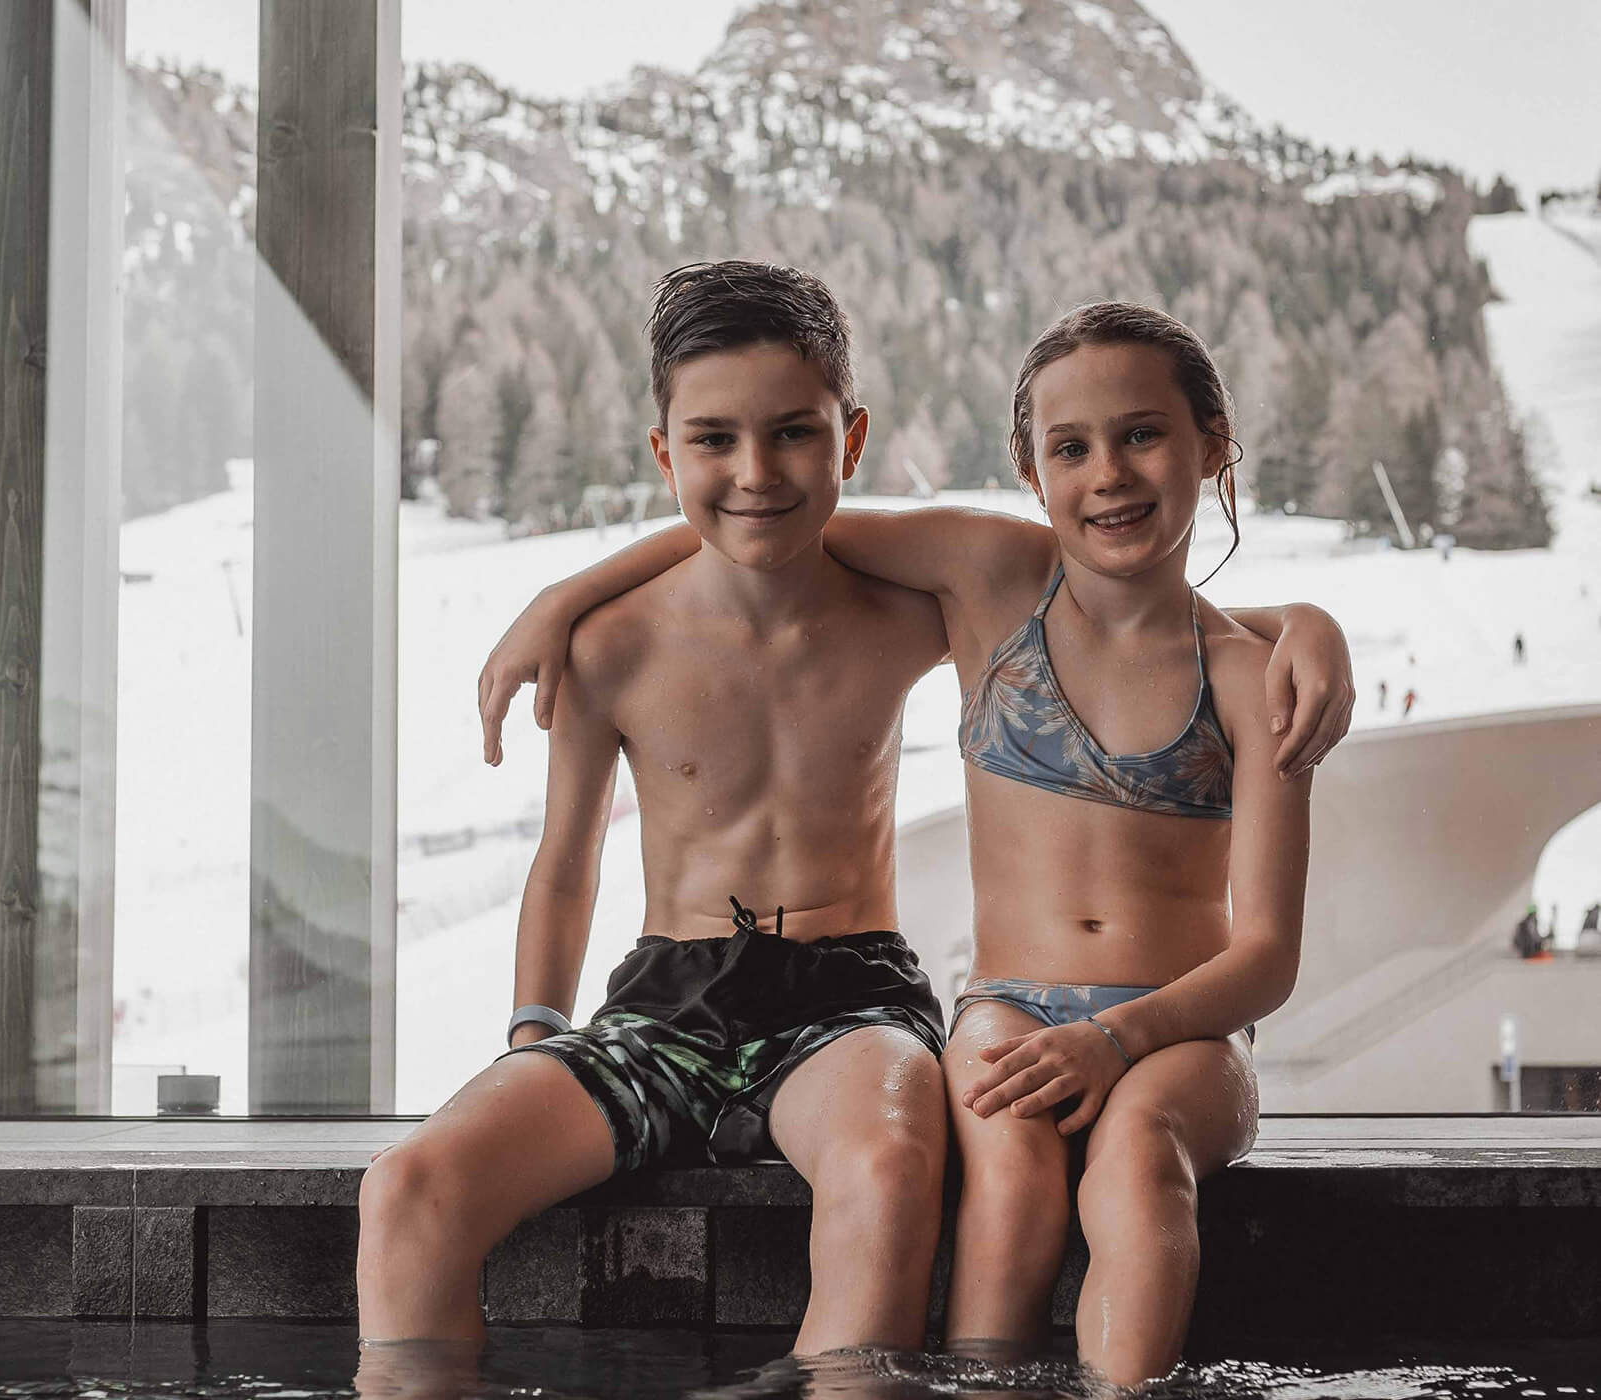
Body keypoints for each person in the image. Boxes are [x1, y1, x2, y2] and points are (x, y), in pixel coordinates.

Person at [480, 301, 1339, 1387]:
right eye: (1071, 446)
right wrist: (565, 595)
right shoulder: (989, 576)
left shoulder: (1258, 681)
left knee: (1134, 1162)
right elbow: (769, 516)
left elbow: (1268, 957)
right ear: (1030, 468)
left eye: (1143, 435)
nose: (1108, 473)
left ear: (1212, 440)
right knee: (1014, 1184)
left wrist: (1117, 1041)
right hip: (1010, 1003)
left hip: (1179, 1030)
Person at [358, 262, 955, 1366]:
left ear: (851, 439)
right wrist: (534, 1031)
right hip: (663, 1009)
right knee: (408, 1184)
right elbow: (567, 863)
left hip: (849, 998)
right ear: (663, 451)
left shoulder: (908, 612)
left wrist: (1285, 623)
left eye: (794, 434)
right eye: (714, 439)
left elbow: (1108, 597)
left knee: (890, 1158)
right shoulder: (611, 643)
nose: (755, 470)